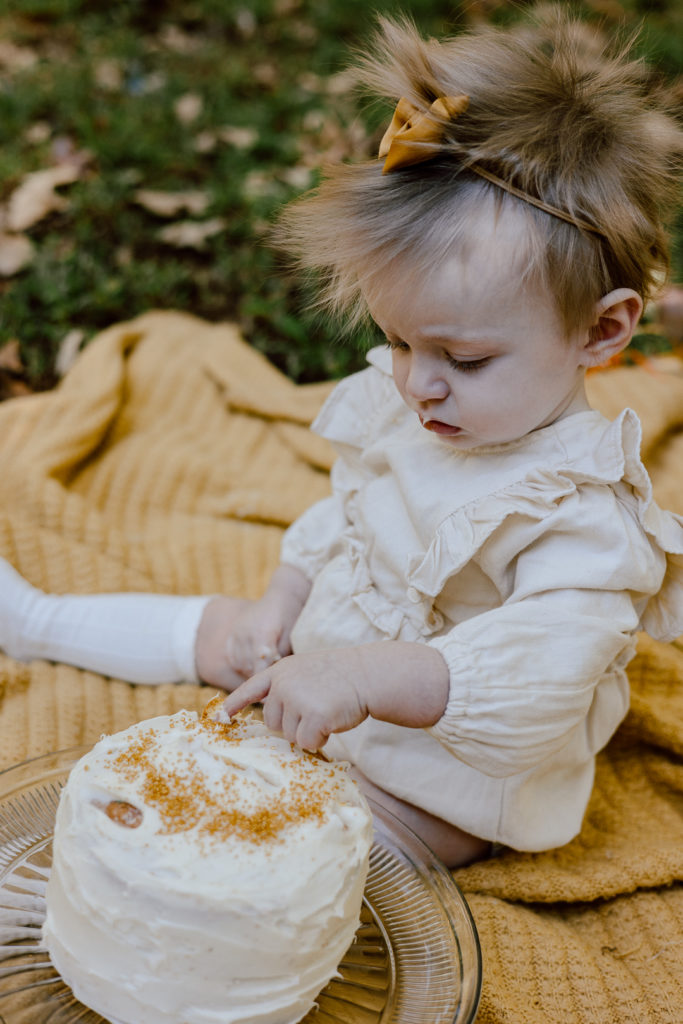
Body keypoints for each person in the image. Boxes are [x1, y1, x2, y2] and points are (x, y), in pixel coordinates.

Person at [2, 8, 683, 866]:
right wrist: (287, 603)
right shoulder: (426, 406)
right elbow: (350, 512)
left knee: (326, 842)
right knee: (234, 627)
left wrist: (359, 679)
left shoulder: (582, 517)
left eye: (464, 357)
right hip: (331, 654)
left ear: (600, 333)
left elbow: (537, 676)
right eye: (399, 340)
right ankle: (40, 624)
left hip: (444, 766)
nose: (417, 381)